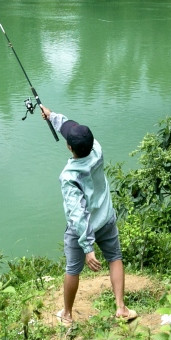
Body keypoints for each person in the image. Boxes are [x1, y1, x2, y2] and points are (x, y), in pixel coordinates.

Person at [40, 105, 137, 325]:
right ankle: (121, 308)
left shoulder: (69, 176)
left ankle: (67, 314)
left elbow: (78, 213)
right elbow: (71, 128)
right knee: (115, 258)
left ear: (69, 147)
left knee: (73, 269)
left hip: (82, 231)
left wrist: (88, 247)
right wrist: (52, 116)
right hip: (106, 218)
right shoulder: (97, 150)